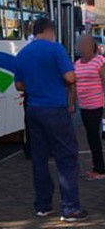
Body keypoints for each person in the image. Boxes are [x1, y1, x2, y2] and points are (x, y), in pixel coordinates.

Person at [14, 17, 87, 222]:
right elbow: (71, 77)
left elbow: (19, 85)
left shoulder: (22, 54)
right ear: (50, 31)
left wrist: (36, 86)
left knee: (39, 158)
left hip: (33, 110)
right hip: (54, 109)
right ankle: (70, 208)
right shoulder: (56, 49)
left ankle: (43, 205)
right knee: (66, 157)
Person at [72, 34, 105, 180]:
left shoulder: (99, 61)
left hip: (97, 105)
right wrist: (71, 103)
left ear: (92, 46)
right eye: (79, 44)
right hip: (84, 106)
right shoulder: (77, 64)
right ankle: (98, 167)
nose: (81, 47)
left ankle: (100, 169)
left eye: (84, 44)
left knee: (93, 137)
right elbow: (74, 85)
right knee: (91, 137)